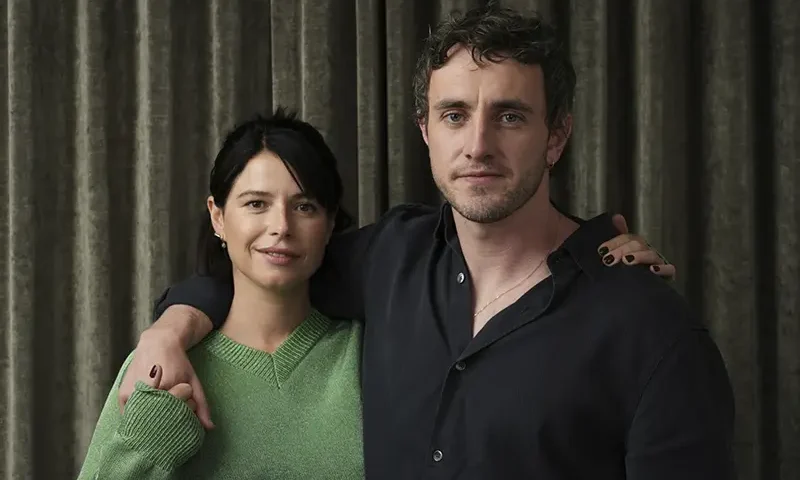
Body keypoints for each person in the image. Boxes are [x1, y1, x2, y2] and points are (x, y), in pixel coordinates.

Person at [117, 4, 735, 480]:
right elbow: (264, 264)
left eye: (511, 116)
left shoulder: (651, 331)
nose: (478, 145)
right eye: (455, 115)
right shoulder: (389, 258)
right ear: (426, 132)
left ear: (557, 135)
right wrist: (169, 328)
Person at [78, 109, 365, 479]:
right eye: (256, 204)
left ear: (328, 225)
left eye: (304, 206)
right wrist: (145, 451)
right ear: (218, 217)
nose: (281, 226)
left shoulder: (367, 356)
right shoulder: (161, 366)